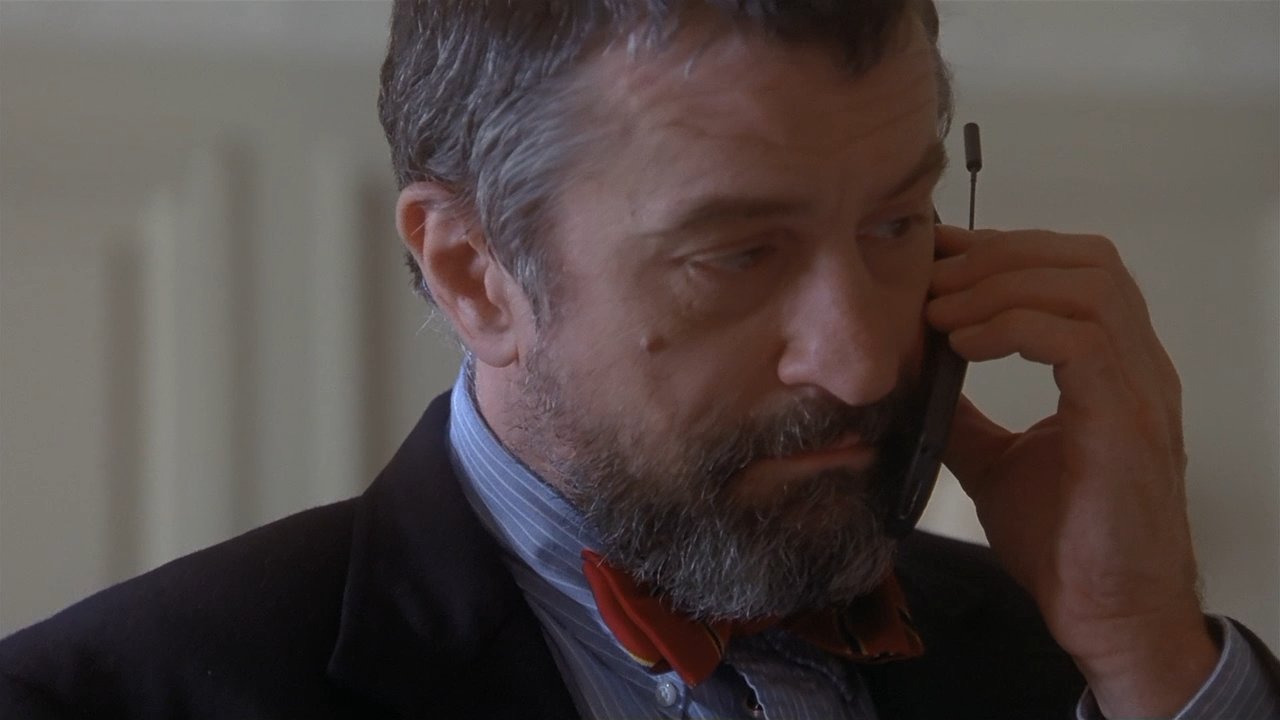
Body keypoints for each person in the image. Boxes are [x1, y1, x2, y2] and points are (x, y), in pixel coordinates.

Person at [2, 1, 1278, 718]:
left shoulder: (1076, 665)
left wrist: (1147, 653)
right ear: (474, 272)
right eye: (736, 255)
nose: (858, 360)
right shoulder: (103, 703)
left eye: (896, 225)